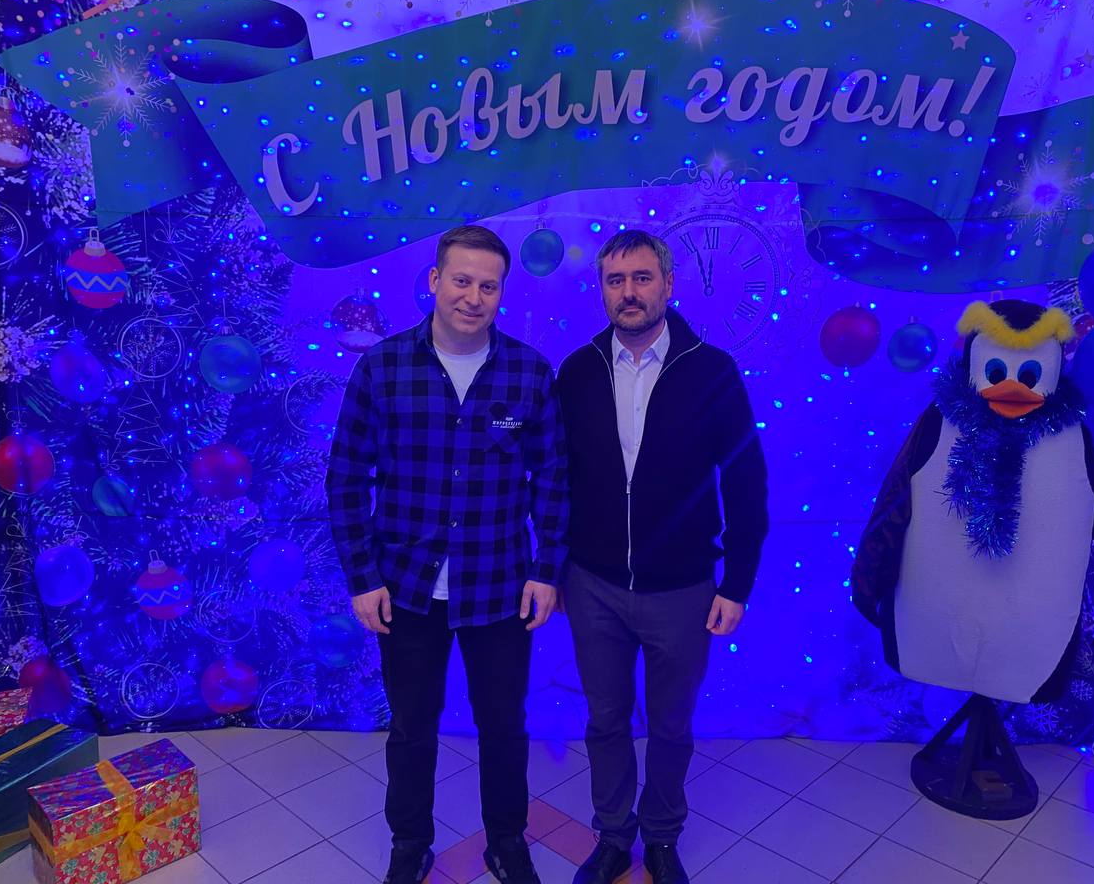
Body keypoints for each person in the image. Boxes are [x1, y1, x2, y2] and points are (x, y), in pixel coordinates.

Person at [327, 224, 568, 884]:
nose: (473, 297)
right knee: (411, 728)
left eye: (489, 286)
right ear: (435, 281)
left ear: (501, 294)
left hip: (500, 585)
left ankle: (506, 841)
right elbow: (346, 478)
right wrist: (362, 578)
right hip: (404, 586)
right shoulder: (381, 369)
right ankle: (410, 844)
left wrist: (547, 570)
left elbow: (552, 478)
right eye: (461, 280)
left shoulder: (529, 372)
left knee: (504, 725)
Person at [556, 229, 769, 884]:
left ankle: (663, 836)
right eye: (615, 280)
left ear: (669, 285)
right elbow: (554, 479)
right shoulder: (577, 370)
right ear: (602, 290)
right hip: (592, 584)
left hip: (683, 589)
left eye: (642, 278)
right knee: (606, 721)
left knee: (672, 726)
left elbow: (746, 479)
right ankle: (613, 836)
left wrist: (736, 583)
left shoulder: (712, 370)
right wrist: (550, 568)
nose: (629, 292)